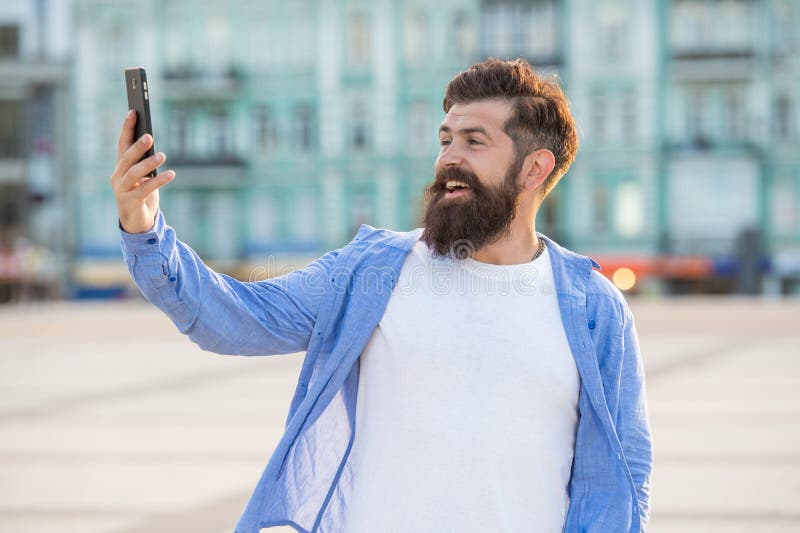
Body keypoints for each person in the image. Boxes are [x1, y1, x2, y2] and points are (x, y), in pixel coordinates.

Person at [111, 58, 652, 533]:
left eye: (474, 141)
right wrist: (144, 224)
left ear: (535, 169)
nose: (448, 159)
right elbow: (232, 318)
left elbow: (621, 482)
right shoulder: (372, 272)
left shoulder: (594, 310)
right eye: (445, 140)